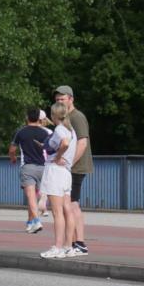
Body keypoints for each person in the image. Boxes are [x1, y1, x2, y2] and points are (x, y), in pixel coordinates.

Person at [54, 85, 92, 256]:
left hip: (76, 167)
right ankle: (77, 243)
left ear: (71, 99)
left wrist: (70, 163)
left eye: (62, 99)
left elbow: (82, 143)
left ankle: (80, 243)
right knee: (69, 204)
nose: (59, 102)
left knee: (72, 204)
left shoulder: (77, 117)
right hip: (69, 167)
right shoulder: (66, 118)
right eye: (57, 100)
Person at [38, 102, 78, 259]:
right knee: (67, 209)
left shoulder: (60, 129)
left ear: (54, 115)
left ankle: (58, 247)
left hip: (56, 171)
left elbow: (65, 144)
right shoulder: (71, 130)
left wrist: (58, 156)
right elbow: (68, 143)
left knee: (57, 212)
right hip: (66, 173)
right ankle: (69, 246)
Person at [9, 109, 53, 234]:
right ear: (39, 119)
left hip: (27, 167)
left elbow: (12, 149)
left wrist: (13, 158)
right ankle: (35, 218)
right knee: (42, 194)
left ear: (27, 117)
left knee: (30, 196)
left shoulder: (21, 132)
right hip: (44, 167)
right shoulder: (46, 132)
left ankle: (36, 221)